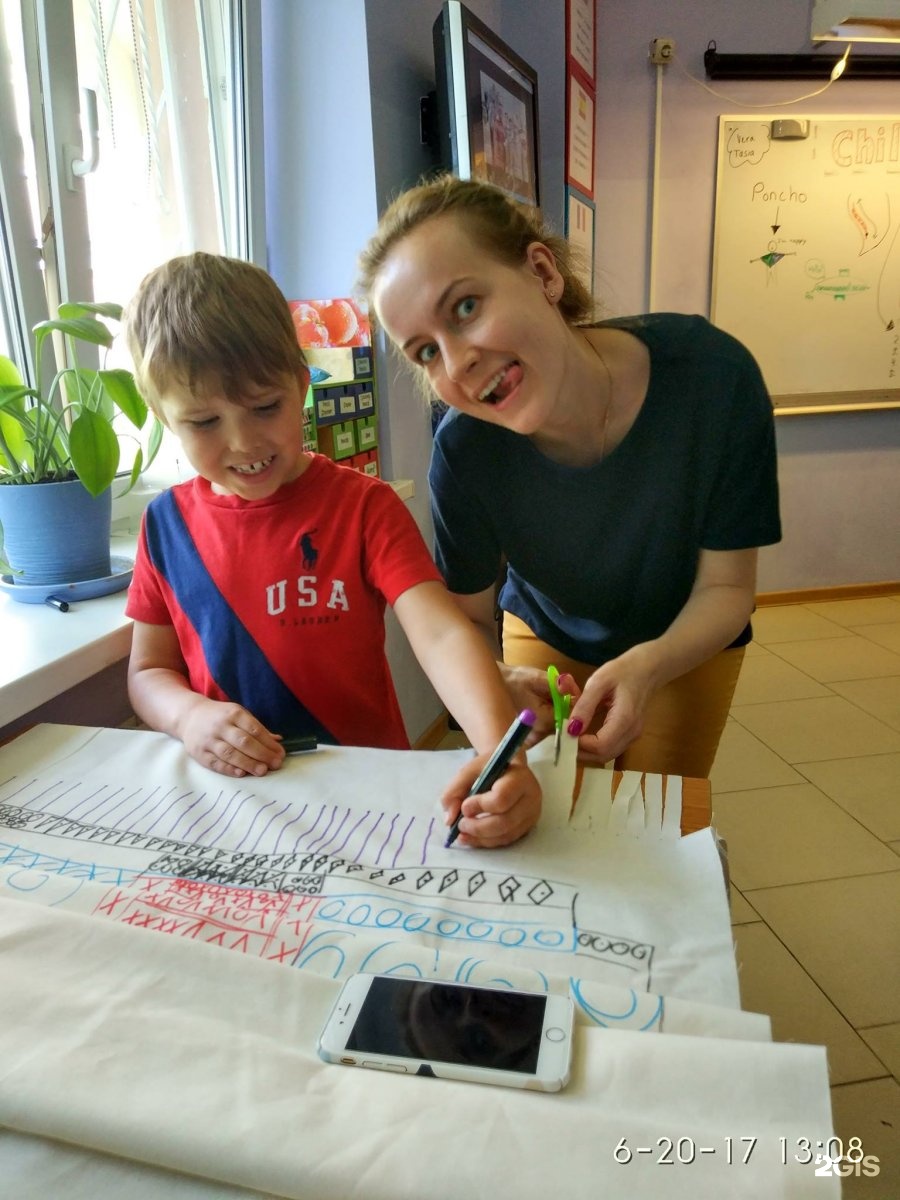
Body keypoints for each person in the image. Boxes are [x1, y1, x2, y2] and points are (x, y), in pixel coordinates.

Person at [358, 175, 782, 778]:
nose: (457, 362)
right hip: (547, 634)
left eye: (466, 308)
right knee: (554, 816)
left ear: (543, 272)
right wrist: (496, 681)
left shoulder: (713, 377)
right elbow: (471, 618)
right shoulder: (463, 449)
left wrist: (649, 665)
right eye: (425, 352)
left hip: (689, 636)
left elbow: (728, 589)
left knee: (659, 819)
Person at [121, 251, 540, 848]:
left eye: (266, 407)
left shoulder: (364, 508)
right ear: (162, 416)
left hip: (366, 797)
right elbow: (149, 670)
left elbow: (442, 634)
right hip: (232, 806)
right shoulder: (164, 525)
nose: (244, 443)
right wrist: (187, 716)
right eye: (203, 422)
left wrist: (503, 751)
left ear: (301, 382)